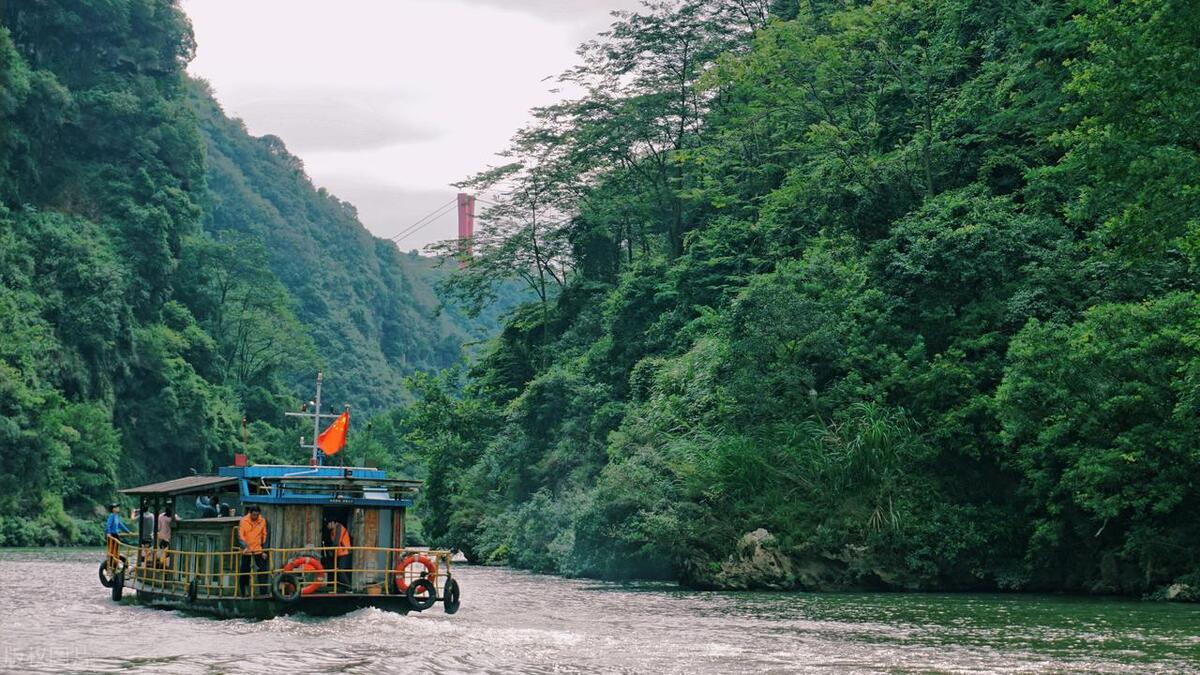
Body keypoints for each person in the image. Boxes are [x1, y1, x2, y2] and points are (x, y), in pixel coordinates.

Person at [237, 505, 269, 596]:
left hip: (258, 549)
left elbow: (265, 535)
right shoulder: (243, 521)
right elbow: (240, 536)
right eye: (254, 515)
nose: (255, 517)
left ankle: (263, 592)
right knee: (244, 570)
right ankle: (243, 592)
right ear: (250, 513)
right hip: (246, 550)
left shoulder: (262, 521)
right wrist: (244, 546)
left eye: (257, 515)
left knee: (263, 569)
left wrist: (264, 550)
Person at [323, 519, 352, 592]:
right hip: (339, 553)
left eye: (328, 525)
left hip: (345, 552)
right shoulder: (332, 531)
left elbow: (336, 542)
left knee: (341, 570)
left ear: (332, 522)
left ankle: (349, 588)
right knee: (337, 570)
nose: (328, 527)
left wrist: (330, 551)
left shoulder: (338, 527)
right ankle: (341, 587)